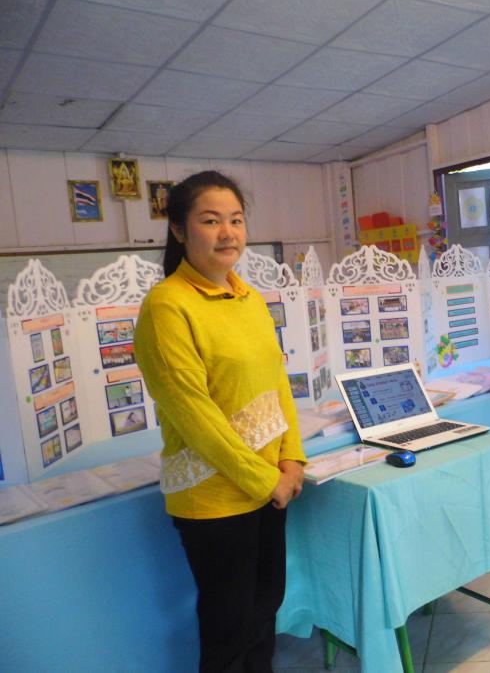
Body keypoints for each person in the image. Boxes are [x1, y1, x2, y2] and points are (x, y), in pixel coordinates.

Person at [134, 171, 306, 672]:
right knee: (230, 626)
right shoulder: (167, 306)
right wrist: (266, 481)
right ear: (179, 230)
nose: (228, 232)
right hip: (214, 499)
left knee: (265, 608)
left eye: (236, 220)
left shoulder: (248, 298)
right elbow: (195, 417)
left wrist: (292, 458)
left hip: (270, 486)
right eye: (211, 221)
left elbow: (278, 385)